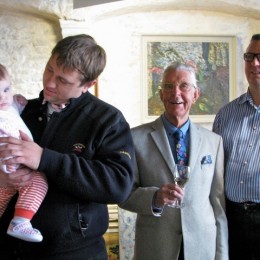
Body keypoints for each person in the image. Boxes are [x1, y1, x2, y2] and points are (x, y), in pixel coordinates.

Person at [0, 34, 134, 259]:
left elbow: (119, 184)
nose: (50, 82)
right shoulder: (20, 112)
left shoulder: (107, 120)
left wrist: (45, 159)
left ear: (88, 84)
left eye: (63, 80)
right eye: (49, 69)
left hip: (74, 253)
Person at [120, 62, 228, 260]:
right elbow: (124, 194)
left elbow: (217, 204)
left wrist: (222, 255)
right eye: (168, 87)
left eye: (184, 86)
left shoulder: (214, 142)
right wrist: (155, 198)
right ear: (161, 95)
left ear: (195, 95)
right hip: (156, 248)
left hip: (202, 248)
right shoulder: (135, 138)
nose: (175, 93)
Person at [213, 34, 260, 260]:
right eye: (249, 56)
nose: (254, 63)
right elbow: (213, 169)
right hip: (231, 218)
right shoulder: (226, 114)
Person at [0, 64, 48, 243]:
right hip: (11, 166)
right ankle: (20, 221)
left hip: (17, 165)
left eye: (6, 89)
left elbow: (14, 110)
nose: (2, 97)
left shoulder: (8, 106)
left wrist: (19, 103)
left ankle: (20, 221)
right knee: (39, 181)